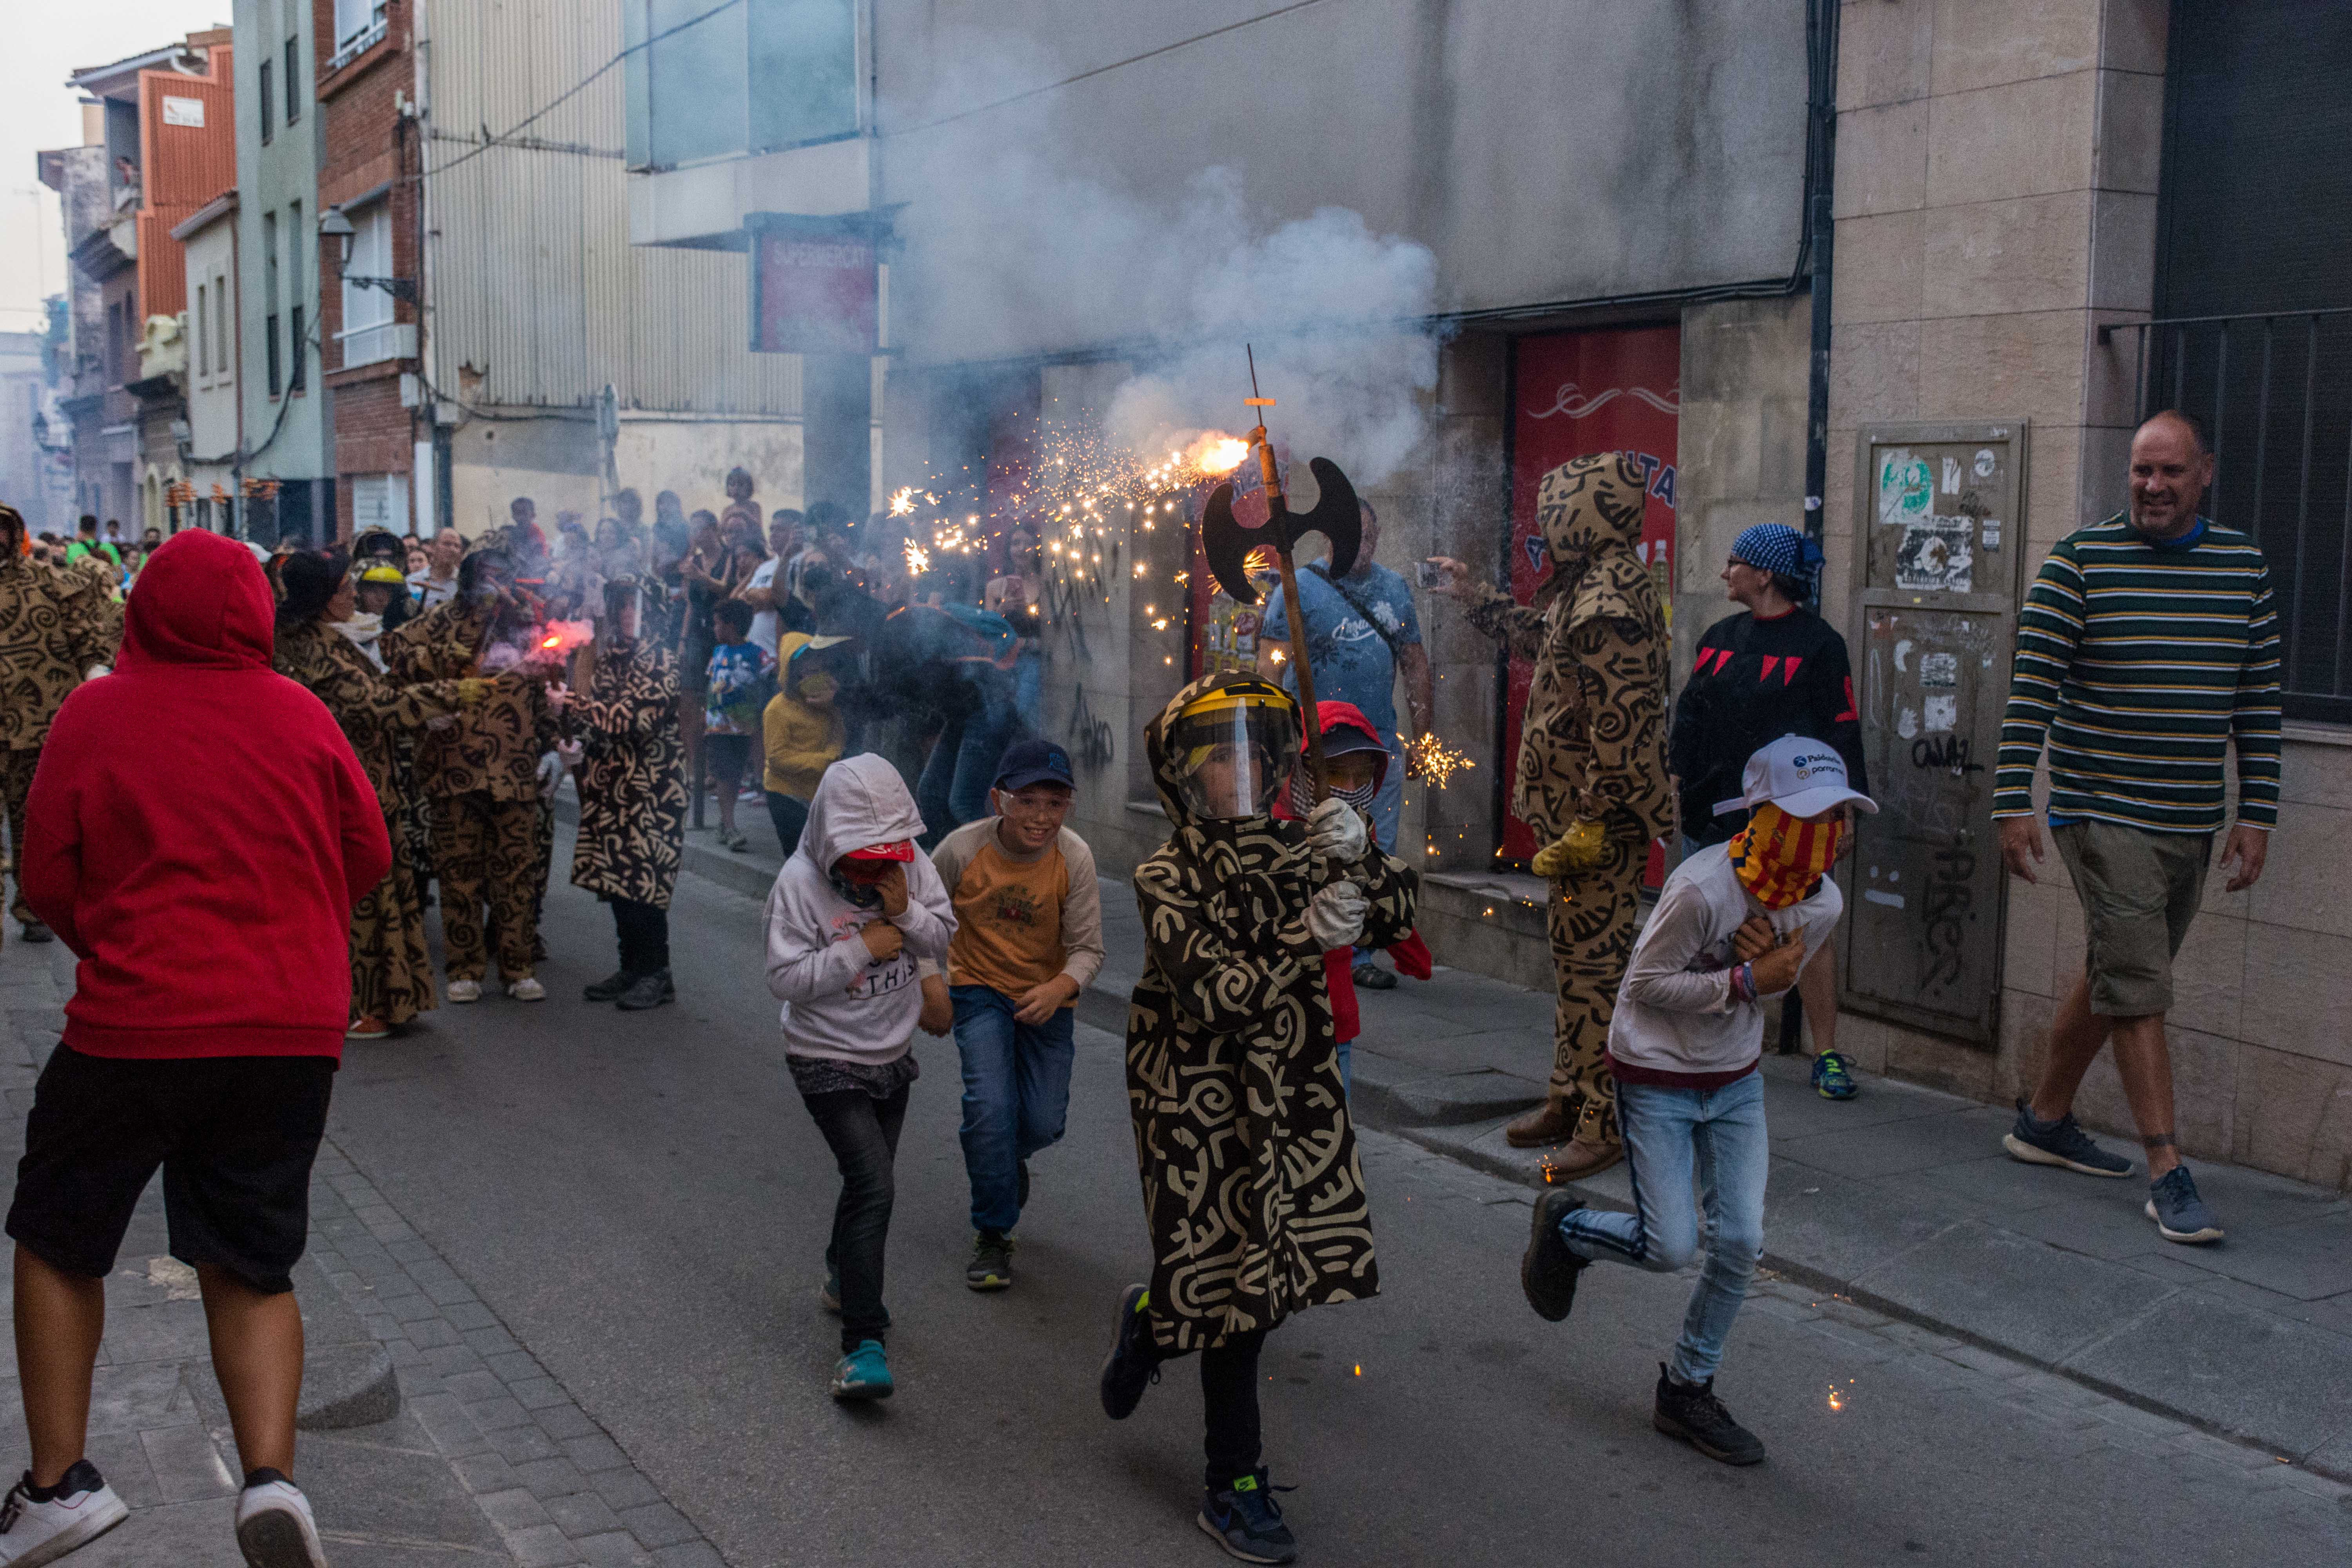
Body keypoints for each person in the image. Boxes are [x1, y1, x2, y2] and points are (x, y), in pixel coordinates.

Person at [7, 529, 389, 1568]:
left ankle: (58, 1486)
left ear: (145, 610)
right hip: (286, 1035)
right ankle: (272, 1481)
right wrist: (285, 933)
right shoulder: (301, 715)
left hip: (135, 1026)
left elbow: (44, 873)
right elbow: (369, 852)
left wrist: (119, 939)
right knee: (252, 1262)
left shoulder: (94, 712)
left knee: (55, 1237)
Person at [1098, 674, 1416, 1566]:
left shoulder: (1295, 845)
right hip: (1194, 1105)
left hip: (1289, 1097)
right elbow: (1219, 990)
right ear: (1188, 774)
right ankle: (1230, 1482)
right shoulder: (1163, 872)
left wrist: (1363, 853)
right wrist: (1302, 937)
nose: (1237, 770)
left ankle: (1154, 1321)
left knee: (1259, 1290)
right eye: (1217, 757)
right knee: (1235, 1291)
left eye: (1250, 752)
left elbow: (1400, 917)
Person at [1519, 736, 1871, 1469]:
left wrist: (1762, 973)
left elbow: (1779, 978)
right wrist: (1743, 980)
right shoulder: (1702, 887)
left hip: (1735, 1077)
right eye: (1806, 817)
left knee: (1741, 1241)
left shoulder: (1825, 902)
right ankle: (1570, 1227)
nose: (1822, 837)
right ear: (1762, 816)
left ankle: (1687, 1387)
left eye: (1837, 816)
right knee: (1670, 1247)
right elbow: (1642, 988)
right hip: (1654, 1070)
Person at [1992, 410, 2278, 1245]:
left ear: (2205, 473)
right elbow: (2031, 688)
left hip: (2190, 818)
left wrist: (2255, 813)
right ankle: (2167, 1170)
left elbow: (2257, 704)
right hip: (2100, 808)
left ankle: (2044, 1121)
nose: (2152, 487)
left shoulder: (2243, 566)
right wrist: (2015, 799)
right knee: (2141, 985)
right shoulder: (2080, 561)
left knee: (2119, 970)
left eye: (2170, 473)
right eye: (2140, 472)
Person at [1428, 452, 1675, 1176]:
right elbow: (1545, 641)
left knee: (1597, 971)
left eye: (1558, 509)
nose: (1547, 522)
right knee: (1572, 968)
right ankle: (1569, 1095)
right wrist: (1478, 598)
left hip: (1594, 830)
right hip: (1570, 822)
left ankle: (1604, 1118)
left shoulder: (1612, 599)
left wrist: (1593, 823)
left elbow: (1624, 726)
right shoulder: (1587, 588)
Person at [764, 755, 955, 1401]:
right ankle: (862, 1346)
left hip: (889, 1052)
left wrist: (905, 916)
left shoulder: (911, 868)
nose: (877, 873)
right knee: (874, 1183)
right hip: (823, 1054)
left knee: (866, 1183)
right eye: (863, 862)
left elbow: (943, 934)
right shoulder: (797, 884)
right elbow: (784, 979)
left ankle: (845, 1276)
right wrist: (858, 951)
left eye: (887, 858)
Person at [1668, 521, 1868, 1100]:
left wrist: (1847, 810)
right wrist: (1673, 787)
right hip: (1713, 809)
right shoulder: (1719, 635)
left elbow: (1844, 729)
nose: (1724, 572)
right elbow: (1689, 719)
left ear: (1763, 574)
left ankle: (1826, 1052)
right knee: (1704, 925)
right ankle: (1701, 1044)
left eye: (1734, 562)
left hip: (1794, 822)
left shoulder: (1821, 644)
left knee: (1809, 930)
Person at [274, 550, 488, 1038]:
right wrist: (456, 695)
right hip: (348, 789)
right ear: (324, 601)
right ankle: (365, 1003)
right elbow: (377, 704)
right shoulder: (316, 650)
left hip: (370, 783)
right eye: (344, 588)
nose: (354, 593)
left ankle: (392, 999)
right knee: (367, 903)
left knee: (388, 893)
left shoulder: (334, 636)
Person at [925, 739, 1103, 1291]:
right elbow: (923, 922)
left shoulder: (1074, 858)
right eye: (1028, 801)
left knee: (1043, 1122)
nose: (1041, 817)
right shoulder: (960, 851)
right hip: (978, 991)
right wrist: (931, 985)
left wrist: (1059, 986)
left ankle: (1001, 1157)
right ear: (999, 799)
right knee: (989, 1108)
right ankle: (994, 1235)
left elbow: (1089, 949)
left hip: (1047, 999)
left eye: (1055, 804)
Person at [1255, 499, 1432, 992]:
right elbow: (1271, 665)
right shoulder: (1299, 586)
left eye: (1371, 538)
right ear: (1330, 538)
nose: (1363, 548)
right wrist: (1268, 740)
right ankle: (1301, 929)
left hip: (1376, 749)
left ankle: (1359, 949)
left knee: (1376, 846)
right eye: (1354, 538)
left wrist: (1425, 739)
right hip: (1311, 751)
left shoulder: (1393, 589)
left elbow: (1416, 664)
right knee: (1309, 841)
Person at [382, 546, 567, 1003]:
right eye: (486, 575)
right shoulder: (442, 620)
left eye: (504, 575)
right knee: (458, 871)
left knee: (517, 874)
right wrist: (428, 704)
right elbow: (392, 654)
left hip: (516, 765)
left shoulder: (524, 624)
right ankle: (465, 967)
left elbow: (550, 688)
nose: (494, 584)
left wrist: (554, 749)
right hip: (455, 764)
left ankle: (517, 965)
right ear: (468, 579)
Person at [1269, 701, 1435, 1093]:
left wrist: (1415, 958)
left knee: (1334, 1141)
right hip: (1273, 1015)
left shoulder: (1357, 829)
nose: (1348, 786)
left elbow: (1386, 905)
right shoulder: (1270, 830)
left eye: (1362, 775)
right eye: (1336, 774)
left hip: (1335, 1015)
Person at [0, 506, 119, 946]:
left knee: (32, 823)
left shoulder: (47, 581)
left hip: (39, 724)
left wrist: (96, 678)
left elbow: (87, 636)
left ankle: (34, 908)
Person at [572, 578, 688, 1011]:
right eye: (619, 606)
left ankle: (658, 973)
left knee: (644, 883)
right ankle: (632, 966)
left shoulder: (661, 659)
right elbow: (596, 719)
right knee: (617, 881)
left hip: (652, 790)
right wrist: (574, 735)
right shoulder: (610, 659)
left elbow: (631, 721)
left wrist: (575, 706)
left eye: (632, 605)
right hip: (612, 787)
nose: (624, 614)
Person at [763, 632, 849, 858]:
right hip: (786, 794)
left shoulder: (827, 703)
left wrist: (833, 755)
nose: (814, 670)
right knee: (798, 858)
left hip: (819, 792)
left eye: (818, 665)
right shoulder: (777, 709)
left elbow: (839, 734)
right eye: (807, 667)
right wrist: (825, 762)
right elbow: (778, 758)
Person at [704, 599, 773, 851]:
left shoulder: (757, 654)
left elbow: (770, 679)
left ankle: (724, 822)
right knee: (724, 774)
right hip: (719, 727)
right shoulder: (718, 653)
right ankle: (731, 827)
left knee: (734, 775)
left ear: (731, 626)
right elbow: (711, 685)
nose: (715, 629)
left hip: (745, 726)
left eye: (718, 624)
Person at [408, 529, 464, 613]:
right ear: (433, 547)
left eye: (457, 546)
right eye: (447, 544)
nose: (452, 549)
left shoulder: (464, 583)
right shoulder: (413, 580)